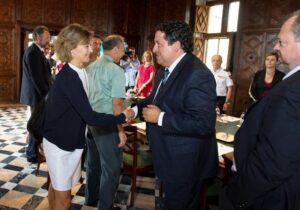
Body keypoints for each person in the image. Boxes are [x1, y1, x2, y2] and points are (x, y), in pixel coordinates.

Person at [128, 21, 218, 209]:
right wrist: (134, 110)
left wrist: (161, 118)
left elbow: (203, 123)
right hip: (170, 158)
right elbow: (153, 100)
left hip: (186, 165)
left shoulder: (198, 74)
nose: (154, 49)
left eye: (158, 44)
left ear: (176, 45)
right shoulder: (164, 70)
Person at [42, 24, 130, 210]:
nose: (92, 49)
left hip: (69, 140)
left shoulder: (81, 70)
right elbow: (90, 117)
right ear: (73, 49)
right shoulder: (69, 77)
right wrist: (121, 117)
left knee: (57, 187)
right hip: (60, 144)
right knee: (64, 198)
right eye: (87, 46)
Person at [219, 10, 300, 210]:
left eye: (281, 42)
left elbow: (275, 160)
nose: (274, 47)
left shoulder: (294, 89)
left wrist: (237, 194)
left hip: (268, 196)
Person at [85, 35, 126, 210]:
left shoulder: (90, 66)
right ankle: (105, 207)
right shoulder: (116, 70)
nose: (123, 53)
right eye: (123, 49)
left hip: (91, 121)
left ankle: (91, 199)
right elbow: (117, 105)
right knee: (112, 167)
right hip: (107, 123)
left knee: (93, 163)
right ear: (116, 49)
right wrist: (121, 130)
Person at [20, 25, 52, 163]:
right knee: (36, 123)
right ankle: (32, 153)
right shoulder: (33, 52)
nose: (49, 39)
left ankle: (32, 150)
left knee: (35, 122)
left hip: (36, 95)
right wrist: (46, 96)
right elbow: (36, 78)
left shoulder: (36, 50)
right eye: (47, 37)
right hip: (36, 96)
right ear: (38, 37)